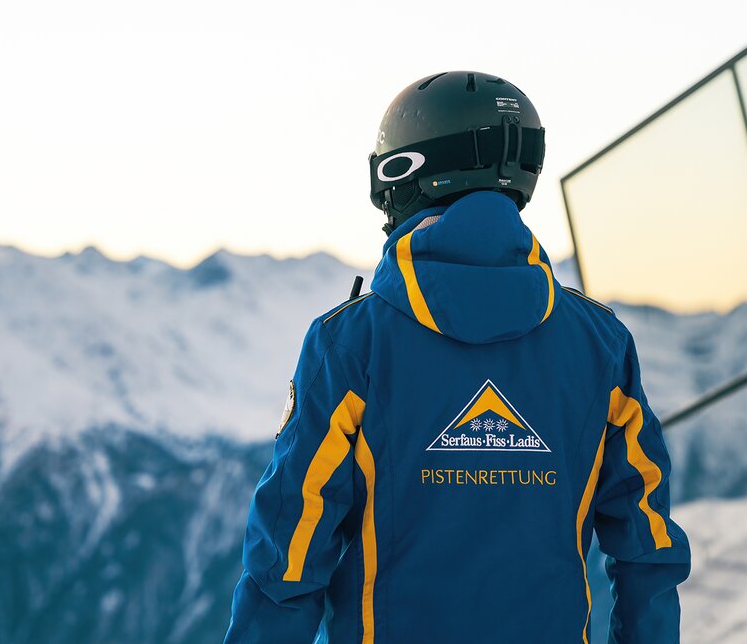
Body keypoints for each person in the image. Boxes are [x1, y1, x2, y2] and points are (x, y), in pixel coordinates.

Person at [224, 71, 691, 643]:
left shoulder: (351, 344)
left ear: (406, 176)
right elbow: (647, 548)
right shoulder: (600, 344)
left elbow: (288, 561)